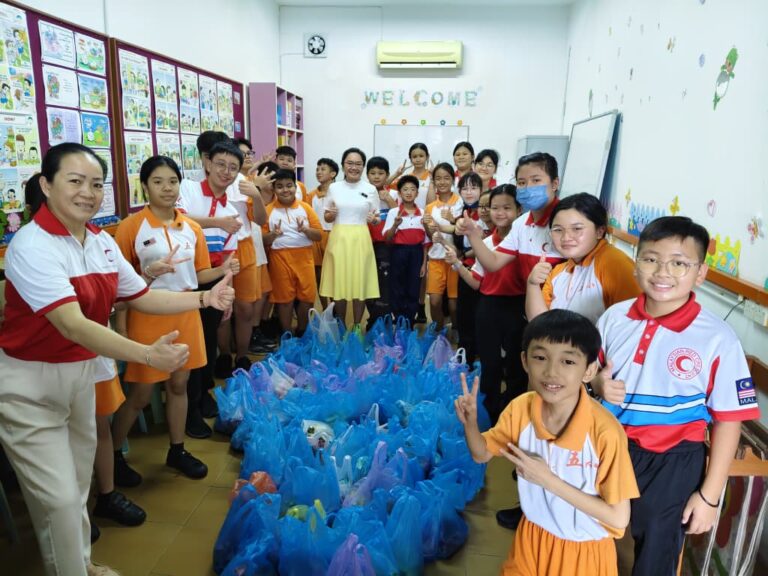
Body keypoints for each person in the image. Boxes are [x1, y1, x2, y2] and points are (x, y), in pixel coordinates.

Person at [0, 143, 234, 576]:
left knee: (76, 484)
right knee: (58, 499)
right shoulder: (31, 245)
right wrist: (147, 354)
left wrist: (205, 298)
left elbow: (142, 295)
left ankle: (79, 563)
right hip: (30, 384)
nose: (87, 193)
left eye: (96, 184)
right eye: (75, 181)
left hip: (79, 375)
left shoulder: (99, 242)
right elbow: (72, 324)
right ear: (46, 185)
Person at [592, 216, 761, 576]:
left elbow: (729, 421)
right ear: (635, 262)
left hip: (673, 459)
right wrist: (597, 385)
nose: (662, 272)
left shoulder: (718, 338)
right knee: (591, 534)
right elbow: (588, 373)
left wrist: (709, 497)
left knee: (656, 550)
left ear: (700, 273)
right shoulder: (614, 318)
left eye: (679, 263)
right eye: (651, 259)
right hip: (610, 446)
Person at [456, 309, 639, 576]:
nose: (552, 372)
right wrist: (471, 424)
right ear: (525, 361)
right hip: (531, 538)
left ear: (589, 370)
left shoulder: (605, 432)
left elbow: (618, 517)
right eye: (540, 357)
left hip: (584, 553)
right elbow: (481, 454)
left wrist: (548, 480)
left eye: (568, 361)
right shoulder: (521, 409)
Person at [112, 155, 240, 486]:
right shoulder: (130, 227)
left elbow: (199, 275)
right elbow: (118, 283)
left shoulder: (192, 228)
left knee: (179, 385)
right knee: (141, 394)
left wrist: (223, 269)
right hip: (147, 314)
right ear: (144, 186)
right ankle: (112, 455)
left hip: (186, 311)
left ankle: (177, 449)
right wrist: (124, 324)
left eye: (172, 181)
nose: (166, 188)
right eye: (158, 182)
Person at [457, 151, 565, 530]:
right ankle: (531, 501)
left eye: (536, 180)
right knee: (540, 405)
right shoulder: (523, 224)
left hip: (566, 331)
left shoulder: (565, 221)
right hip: (537, 322)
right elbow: (492, 264)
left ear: (554, 183)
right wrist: (474, 235)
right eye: (522, 182)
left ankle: (550, 504)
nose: (527, 188)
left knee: (557, 412)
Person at [447, 184, 522, 423]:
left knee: (516, 366)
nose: (500, 213)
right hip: (488, 307)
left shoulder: (526, 240)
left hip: (518, 307)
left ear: (519, 210)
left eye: (507, 208)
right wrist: (457, 263)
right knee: (490, 364)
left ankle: (513, 415)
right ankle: (490, 415)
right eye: (495, 208)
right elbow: (476, 282)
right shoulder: (486, 242)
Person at [526, 192, 639, 323]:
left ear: (599, 231)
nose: (566, 237)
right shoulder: (558, 272)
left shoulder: (615, 264)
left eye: (577, 229)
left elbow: (634, 325)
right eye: (558, 230)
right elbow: (538, 322)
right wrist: (532, 284)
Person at [319, 147, 380, 333]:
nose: (354, 167)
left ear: (363, 166)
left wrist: (374, 220)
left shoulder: (370, 189)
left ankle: (356, 328)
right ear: (343, 165)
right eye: (350, 163)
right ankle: (341, 326)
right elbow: (327, 217)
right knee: (340, 284)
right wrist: (330, 215)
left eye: (358, 164)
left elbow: (377, 218)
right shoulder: (334, 188)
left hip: (361, 238)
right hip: (339, 239)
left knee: (359, 284)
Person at [262, 169, 322, 335]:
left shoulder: (305, 208)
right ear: (274, 189)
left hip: (305, 258)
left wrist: (306, 230)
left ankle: (302, 331)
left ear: (296, 187)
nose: (285, 190)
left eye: (289, 185)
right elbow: (262, 240)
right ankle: (287, 333)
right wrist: (273, 235)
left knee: (307, 298)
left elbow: (319, 235)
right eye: (280, 186)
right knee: (284, 300)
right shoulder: (268, 210)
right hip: (279, 259)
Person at [452, 172, 489, 364]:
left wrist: (466, 254)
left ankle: (477, 357)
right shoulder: (462, 213)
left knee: (479, 316)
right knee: (464, 315)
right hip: (466, 270)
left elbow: (489, 242)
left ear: (481, 190)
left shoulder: (487, 215)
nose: (469, 192)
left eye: (473, 188)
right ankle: (465, 357)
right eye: (464, 188)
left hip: (486, 273)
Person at [382, 175, 428, 324]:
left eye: (412, 189)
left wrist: (424, 263)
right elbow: (387, 239)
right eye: (405, 189)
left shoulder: (423, 213)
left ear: (417, 193)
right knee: (397, 286)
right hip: (398, 252)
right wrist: (395, 225)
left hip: (417, 253)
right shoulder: (394, 212)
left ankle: (409, 321)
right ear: (399, 193)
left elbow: (426, 242)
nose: (409, 192)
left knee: (414, 287)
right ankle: (398, 319)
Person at [423, 162, 462, 331]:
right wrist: (426, 225)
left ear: (453, 179)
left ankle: (456, 331)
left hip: (456, 259)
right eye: (438, 178)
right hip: (436, 258)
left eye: (446, 178)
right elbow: (430, 236)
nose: (442, 182)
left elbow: (462, 231)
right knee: (434, 301)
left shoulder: (460, 202)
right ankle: (437, 333)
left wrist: (453, 220)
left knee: (454, 304)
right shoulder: (430, 207)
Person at [365, 156, 398, 325]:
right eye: (372, 173)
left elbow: (401, 214)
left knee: (384, 281)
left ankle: (384, 317)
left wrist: (389, 200)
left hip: (385, 245)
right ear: (367, 175)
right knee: (367, 281)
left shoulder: (394, 193)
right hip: (365, 243)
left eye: (381, 173)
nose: (376, 176)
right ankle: (372, 316)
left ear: (387, 175)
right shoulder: (363, 193)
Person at [308, 157, 339, 309]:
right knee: (319, 273)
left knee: (334, 274)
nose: (318, 172)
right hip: (316, 236)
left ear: (333, 174)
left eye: (323, 169)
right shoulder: (311, 195)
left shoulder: (339, 192)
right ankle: (325, 309)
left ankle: (335, 309)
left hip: (334, 235)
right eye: (317, 169)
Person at [389, 142, 435, 209]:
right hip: (408, 215)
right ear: (410, 159)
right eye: (414, 157)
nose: (418, 160)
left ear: (427, 157)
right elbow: (384, 185)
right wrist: (396, 174)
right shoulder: (406, 178)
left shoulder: (432, 176)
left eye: (421, 156)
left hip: (427, 214)